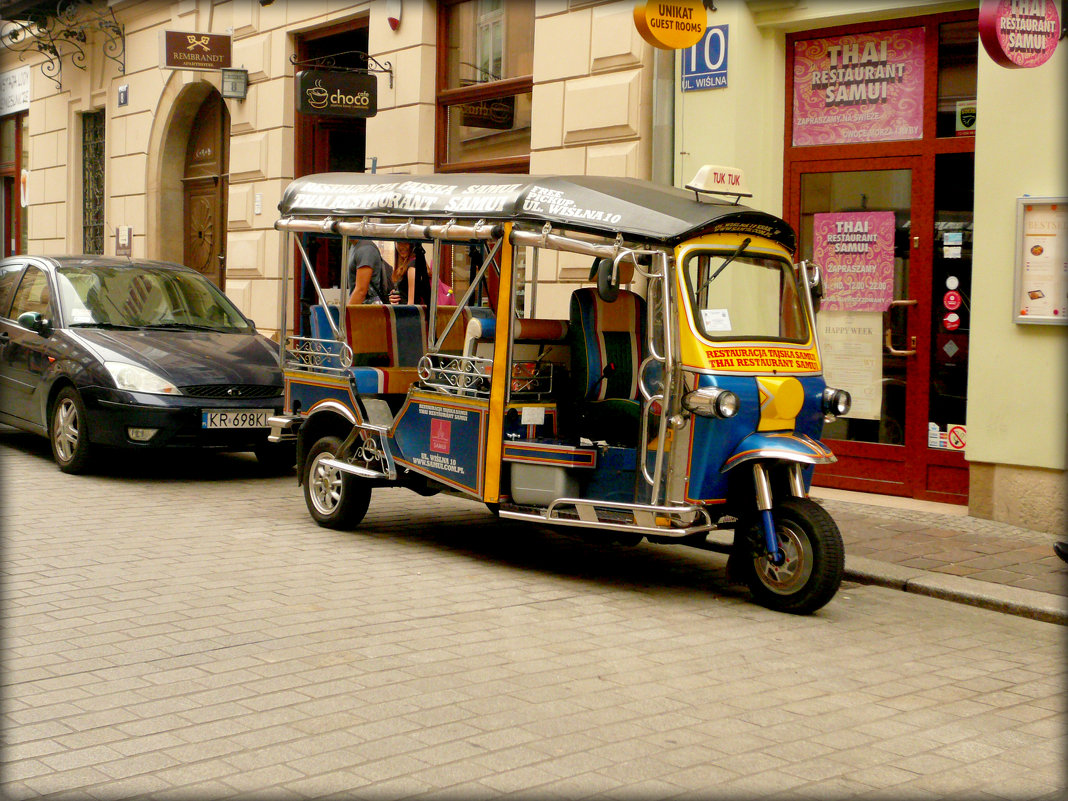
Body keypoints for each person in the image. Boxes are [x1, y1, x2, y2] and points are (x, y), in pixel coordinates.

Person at [347, 240, 393, 304]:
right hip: (364, 307)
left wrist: (347, 313)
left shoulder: (365, 249)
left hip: (368, 309)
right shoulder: (355, 247)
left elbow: (361, 291)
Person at [389, 241, 431, 306]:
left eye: (406, 242)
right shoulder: (411, 265)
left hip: (409, 314)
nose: (402, 247)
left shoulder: (412, 266)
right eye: (399, 242)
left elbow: (411, 305)